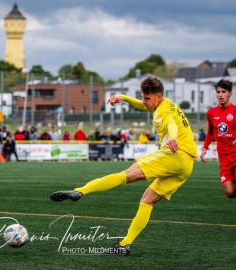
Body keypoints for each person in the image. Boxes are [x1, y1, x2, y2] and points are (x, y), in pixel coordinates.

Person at [50, 76, 197, 255]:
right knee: (147, 201)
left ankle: (80, 191)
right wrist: (124, 98)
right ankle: (123, 245)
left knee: (124, 175)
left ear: (158, 97)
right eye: (142, 97)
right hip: (187, 164)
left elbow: (171, 124)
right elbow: (146, 107)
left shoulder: (162, 113)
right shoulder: (166, 104)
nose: (144, 102)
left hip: (174, 155)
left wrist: (172, 137)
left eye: (147, 98)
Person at [200, 79, 236, 198]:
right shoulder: (211, 113)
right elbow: (210, 131)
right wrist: (205, 148)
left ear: (230, 94)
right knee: (230, 192)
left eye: (223, 92)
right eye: (218, 92)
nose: (220, 94)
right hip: (224, 157)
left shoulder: (235, 111)